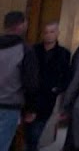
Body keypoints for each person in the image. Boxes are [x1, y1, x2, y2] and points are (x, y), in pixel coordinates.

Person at [27, 22, 72, 151]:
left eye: (52, 32)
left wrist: (58, 89)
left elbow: (66, 75)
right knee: (28, 132)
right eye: (46, 32)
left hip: (47, 98)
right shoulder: (33, 50)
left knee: (36, 132)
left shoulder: (63, 53)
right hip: (30, 95)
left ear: (57, 33)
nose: (48, 35)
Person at [0, 11, 40, 151]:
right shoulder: (24, 50)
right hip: (9, 105)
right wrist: (31, 108)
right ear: (22, 25)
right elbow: (30, 83)